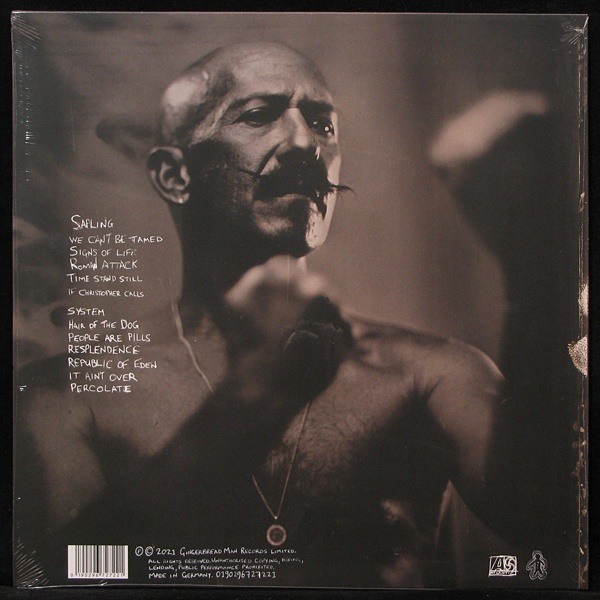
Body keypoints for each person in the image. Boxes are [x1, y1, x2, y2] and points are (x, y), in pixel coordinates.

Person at [16, 42, 548, 588]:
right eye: (257, 115)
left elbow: (553, 526)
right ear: (175, 176)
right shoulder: (71, 395)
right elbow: (53, 578)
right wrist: (253, 395)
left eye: (323, 124)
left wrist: (533, 256)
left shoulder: (430, 374)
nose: (305, 143)